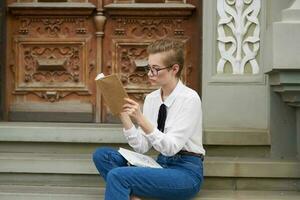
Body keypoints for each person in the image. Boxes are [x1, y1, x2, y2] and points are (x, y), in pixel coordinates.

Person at [93, 38, 205, 200]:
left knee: (118, 176)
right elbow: (142, 146)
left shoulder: (189, 98)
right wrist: (124, 116)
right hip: (160, 165)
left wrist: (140, 118)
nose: (150, 74)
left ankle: (131, 193)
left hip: (185, 171)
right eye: (148, 68)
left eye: (156, 69)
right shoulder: (152, 98)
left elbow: (171, 148)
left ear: (174, 69)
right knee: (102, 155)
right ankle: (135, 195)